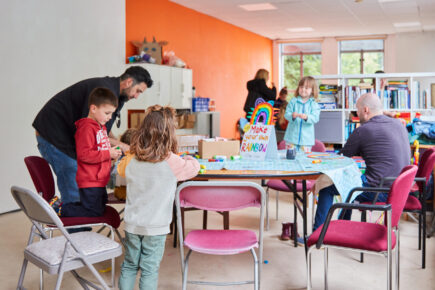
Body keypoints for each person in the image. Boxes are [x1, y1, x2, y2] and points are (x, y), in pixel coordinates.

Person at [33, 66, 153, 206]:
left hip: (65, 136)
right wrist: (123, 146)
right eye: (138, 91)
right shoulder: (102, 91)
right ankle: (76, 223)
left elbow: (102, 129)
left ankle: (82, 220)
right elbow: (91, 132)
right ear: (128, 82)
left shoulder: (115, 95)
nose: (136, 96)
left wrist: (117, 146)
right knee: (75, 184)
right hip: (54, 136)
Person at [117, 105, 200, 290]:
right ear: (169, 134)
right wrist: (190, 159)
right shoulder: (172, 161)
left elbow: (120, 169)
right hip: (156, 227)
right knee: (149, 269)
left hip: (132, 224)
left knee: (129, 265)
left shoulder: (131, 159)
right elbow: (194, 169)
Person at [313, 92, 411, 231]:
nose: (356, 114)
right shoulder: (399, 124)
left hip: (380, 190)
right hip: (400, 189)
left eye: (357, 110)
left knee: (326, 188)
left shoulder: (364, 130)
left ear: (365, 110)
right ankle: (342, 228)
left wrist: (321, 162)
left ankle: (317, 235)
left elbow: (341, 158)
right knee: (350, 183)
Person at [53, 87, 122, 217]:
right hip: (90, 180)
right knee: (93, 211)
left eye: (112, 114)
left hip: (99, 180)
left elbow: (99, 152)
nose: (109, 117)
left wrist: (112, 155)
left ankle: (62, 206)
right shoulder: (86, 128)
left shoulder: (100, 128)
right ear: (93, 108)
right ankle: (59, 209)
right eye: (107, 113)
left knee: (99, 209)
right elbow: (84, 155)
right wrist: (108, 154)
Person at [283, 76, 320, 152]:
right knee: (290, 159)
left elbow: (315, 118)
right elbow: (286, 114)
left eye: (306, 88)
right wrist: (292, 116)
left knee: (304, 159)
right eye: (301, 87)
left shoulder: (314, 104)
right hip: (291, 138)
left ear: (312, 90)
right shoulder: (293, 101)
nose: (303, 90)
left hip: (306, 141)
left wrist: (307, 117)